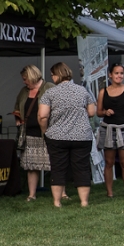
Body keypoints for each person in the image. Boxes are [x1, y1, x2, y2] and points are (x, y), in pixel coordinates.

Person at [38, 62, 96, 208]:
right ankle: (84, 202)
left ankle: (57, 202)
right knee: (82, 168)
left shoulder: (50, 93)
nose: (52, 78)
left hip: (57, 136)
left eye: (52, 75)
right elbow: (91, 112)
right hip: (82, 136)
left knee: (58, 168)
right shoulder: (82, 90)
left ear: (57, 75)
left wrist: (45, 131)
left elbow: (43, 115)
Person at [12, 65, 54, 202]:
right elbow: (17, 107)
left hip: (48, 133)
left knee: (55, 164)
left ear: (32, 76)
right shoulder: (24, 91)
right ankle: (31, 194)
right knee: (31, 166)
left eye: (25, 79)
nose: (24, 82)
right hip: (29, 133)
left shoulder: (49, 88)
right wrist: (18, 119)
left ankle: (62, 193)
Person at [96, 63, 124, 200]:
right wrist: (105, 112)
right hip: (108, 129)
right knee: (109, 162)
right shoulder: (103, 92)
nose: (119, 76)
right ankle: (109, 193)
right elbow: (98, 112)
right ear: (110, 75)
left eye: (121, 73)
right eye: (116, 73)